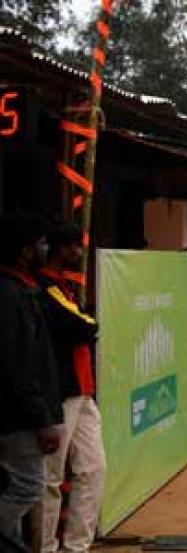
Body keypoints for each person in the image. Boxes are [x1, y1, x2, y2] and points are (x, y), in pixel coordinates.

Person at [30, 223, 104, 553]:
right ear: (60, 249)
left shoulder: (64, 287)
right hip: (60, 394)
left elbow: (84, 325)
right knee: (50, 478)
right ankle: (44, 547)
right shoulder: (43, 286)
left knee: (93, 470)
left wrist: (87, 325)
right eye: (75, 246)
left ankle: (76, 546)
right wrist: (88, 324)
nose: (80, 252)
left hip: (83, 391)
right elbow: (81, 326)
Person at [0, 213, 63, 552]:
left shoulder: (23, 289)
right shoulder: (13, 296)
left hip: (21, 412)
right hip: (19, 417)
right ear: (25, 250)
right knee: (28, 486)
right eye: (42, 243)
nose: (46, 248)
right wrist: (42, 420)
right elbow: (18, 365)